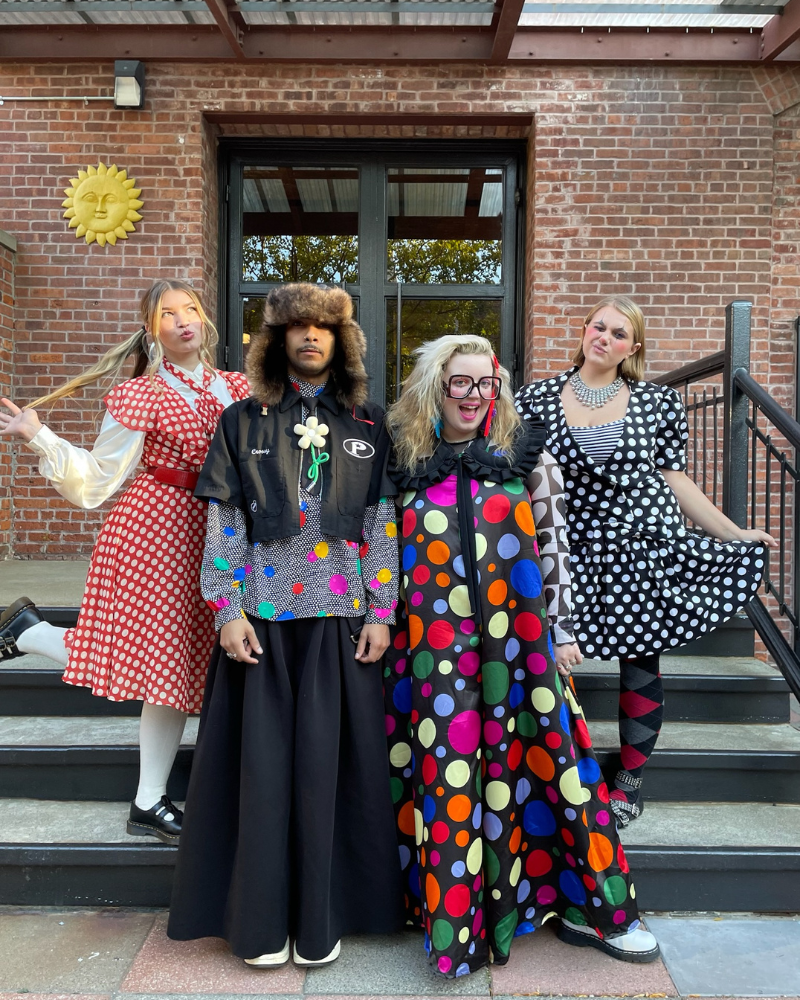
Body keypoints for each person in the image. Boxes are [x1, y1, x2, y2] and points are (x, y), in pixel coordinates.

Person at [382, 334, 660, 978]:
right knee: (448, 778)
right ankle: (455, 926)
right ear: (435, 388)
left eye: (486, 383)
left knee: (556, 769)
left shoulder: (526, 454)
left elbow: (557, 548)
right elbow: (384, 550)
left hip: (523, 645)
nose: (475, 396)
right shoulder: (403, 462)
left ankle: (595, 912)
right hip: (434, 652)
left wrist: (563, 631)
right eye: (460, 382)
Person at [167, 282, 405, 968]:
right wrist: (227, 609)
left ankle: (321, 921)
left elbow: (381, 523)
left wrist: (382, 613)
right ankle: (264, 923)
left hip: (340, 617)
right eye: (295, 327)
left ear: (341, 342)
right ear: (275, 341)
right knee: (264, 776)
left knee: (329, 776)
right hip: (263, 621)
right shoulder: (241, 420)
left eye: (322, 328)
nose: (308, 337)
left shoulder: (369, 422)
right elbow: (225, 521)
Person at [0, 279, 250, 843]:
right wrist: (41, 437)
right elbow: (97, 480)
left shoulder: (238, 386)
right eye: (169, 314)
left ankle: (30, 632)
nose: (184, 321)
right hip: (155, 528)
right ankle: (148, 801)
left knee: (180, 662)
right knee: (160, 662)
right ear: (150, 330)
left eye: (191, 310)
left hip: (219, 529)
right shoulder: (142, 394)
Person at [514, 296, 774, 826]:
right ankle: (559, 771)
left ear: (633, 348)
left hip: (642, 544)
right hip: (569, 550)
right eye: (599, 326)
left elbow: (676, 479)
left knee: (640, 661)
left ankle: (629, 780)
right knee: (552, 661)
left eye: (618, 333)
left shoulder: (657, 402)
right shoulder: (534, 398)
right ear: (584, 330)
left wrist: (732, 531)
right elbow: (519, 475)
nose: (604, 337)